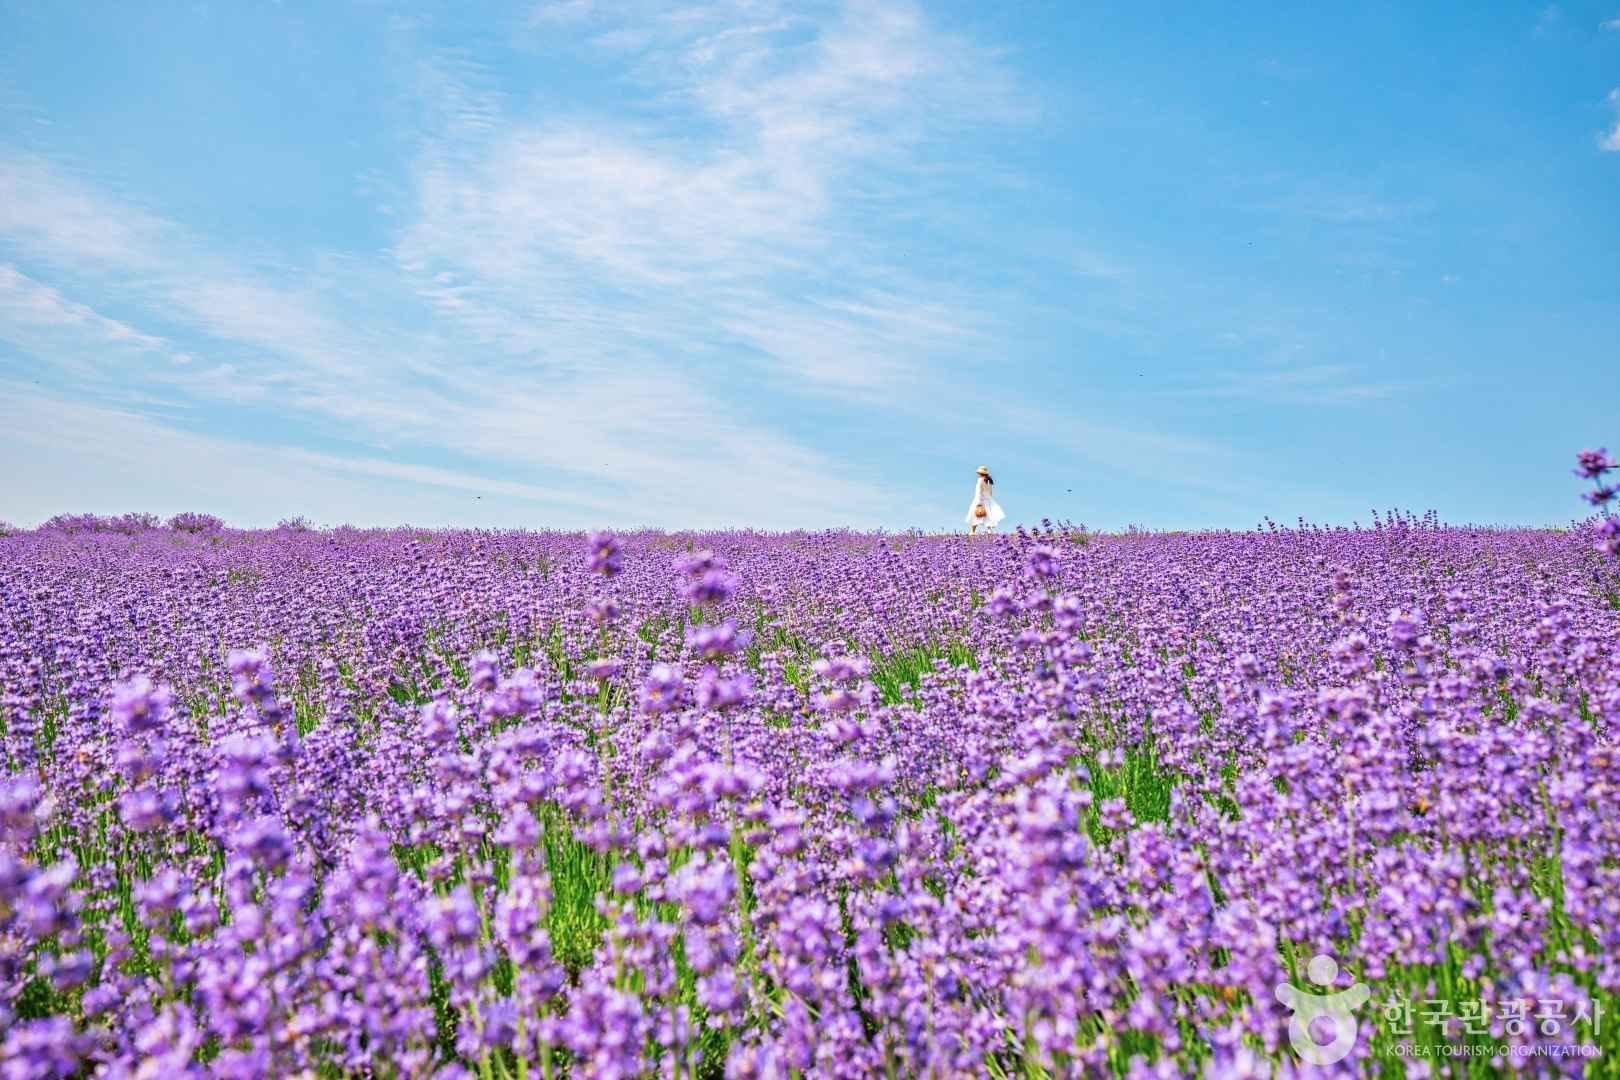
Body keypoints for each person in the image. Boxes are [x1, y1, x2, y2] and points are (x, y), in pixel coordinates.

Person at [966, 466, 1005, 534]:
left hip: (980, 498)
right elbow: (990, 492)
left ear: (980, 473)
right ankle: (989, 530)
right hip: (988, 499)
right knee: (989, 515)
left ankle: (972, 531)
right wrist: (988, 498)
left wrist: (978, 502)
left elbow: (978, 491)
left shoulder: (980, 480)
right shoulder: (988, 480)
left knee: (974, 514)